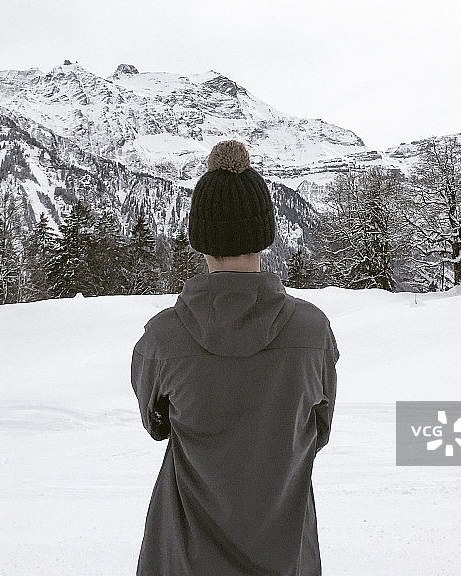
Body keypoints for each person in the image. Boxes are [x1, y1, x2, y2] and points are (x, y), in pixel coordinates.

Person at [131, 139, 340, 576]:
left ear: (199, 238)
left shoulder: (163, 338)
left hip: (185, 557)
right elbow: (318, 430)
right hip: (287, 555)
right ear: (264, 235)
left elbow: (156, 425)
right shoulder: (312, 331)